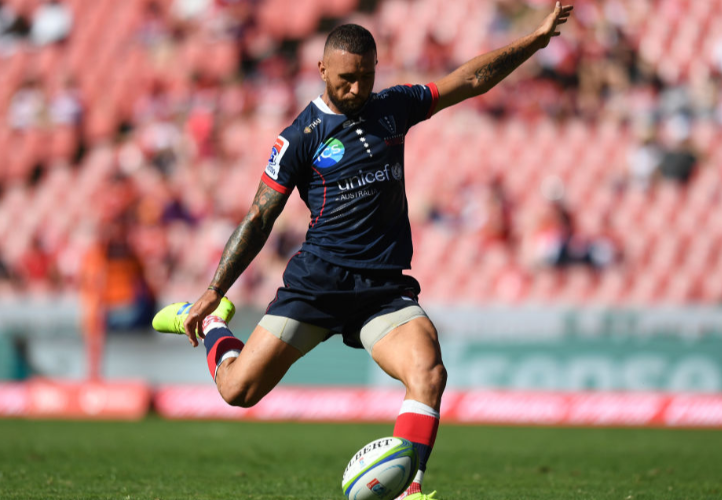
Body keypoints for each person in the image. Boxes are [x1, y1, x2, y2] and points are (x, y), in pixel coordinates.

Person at [152, 4, 573, 499]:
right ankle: (210, 324)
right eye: (348, 79)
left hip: (382, 288)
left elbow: (470, 80)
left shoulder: (392, 107)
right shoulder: (298, 139)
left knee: (428, 373)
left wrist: (534, 42)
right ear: (322, 70)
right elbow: (259, 217)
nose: (357, 89)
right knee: (236, 391)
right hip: (320, 283)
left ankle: (411, 491)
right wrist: (214, 291)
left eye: (367, 77)